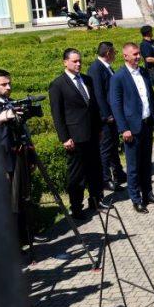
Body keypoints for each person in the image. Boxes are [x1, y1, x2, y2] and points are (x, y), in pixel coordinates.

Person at [48, 48, 103, 220]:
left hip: (92, 133)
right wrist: (64, 138)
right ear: (65, 62)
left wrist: (99, 128)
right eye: (74, 61)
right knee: (77, 175)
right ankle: (77, 207)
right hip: (75, 136)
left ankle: (96, 200)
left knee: (95, 169)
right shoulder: (58, 84)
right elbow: (57, 115)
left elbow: (93, 106)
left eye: (80, 61)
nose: (78, 64)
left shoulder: (87, 79)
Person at [109, 42, 154, 214]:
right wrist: (123, 128)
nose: (138, 56)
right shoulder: (118, 77)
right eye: (134, 54)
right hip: (131, 129)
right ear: (125, 56)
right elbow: (116, 105)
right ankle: (136, 199)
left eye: (139, 53)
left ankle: (148, 194)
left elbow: (150, 97)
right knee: (133, 167)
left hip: (146, 124)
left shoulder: (144, 72)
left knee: (147, 163)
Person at [0, 69, 33, 249]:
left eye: (9, 83)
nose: (8, 87)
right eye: (3, 84)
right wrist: (0, 119)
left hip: (19, 155)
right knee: (10, 203)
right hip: (3, 160)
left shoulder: (10, 103)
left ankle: (26, 236)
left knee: (23, 198)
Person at [87, 42, 127, 192]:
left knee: (113, 146)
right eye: (114, 52)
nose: (116, 54)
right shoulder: (96, 68)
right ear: (108, 53)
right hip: (106, 117)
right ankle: (106, 179)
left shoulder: (106, 67)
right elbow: (98, 95)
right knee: (105, 149)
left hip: (113, 114)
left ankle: (119, 173)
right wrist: (106, 115)